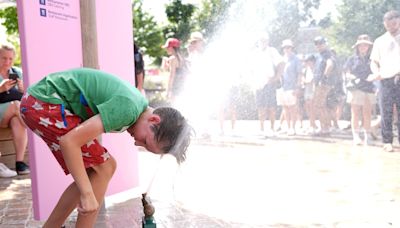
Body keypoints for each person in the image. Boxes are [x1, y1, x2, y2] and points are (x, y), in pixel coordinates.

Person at [19, 67, 192, 227]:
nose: (137, 143)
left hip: (39, 101)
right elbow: (69, 142)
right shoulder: (128, 109)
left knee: (96, 171)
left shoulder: (135, 106)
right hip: (43, 103)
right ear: (154, 120)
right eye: (145, 141)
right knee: (104, 167)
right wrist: (87, 195)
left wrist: (86, 190)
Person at [369, 10, 400, 152]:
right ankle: (387, 141)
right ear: (384, 24)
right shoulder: (380, 41)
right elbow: (374, 61)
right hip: (385, 79)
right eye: (388, 25)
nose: (391, 27)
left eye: (394, 23)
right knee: (385, 111)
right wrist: (376, 73)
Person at [0, 43, 29, 177]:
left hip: (12, 113)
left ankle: (19, 163)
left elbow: (27, 96)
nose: (7, 62)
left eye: (10, 59)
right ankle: (35, 128)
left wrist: (23, 89)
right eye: (4, 58)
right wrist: (1, 89)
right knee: (17, 105)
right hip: (3, 110)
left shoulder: (17, 73)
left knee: (17, 120)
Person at [344, 34, 377, 145]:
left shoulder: (373, 58)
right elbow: (347, 72)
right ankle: (356, 136)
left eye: (365, 45)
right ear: (357, 47)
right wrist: (352, 77)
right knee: (355, 113)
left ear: (369, 46)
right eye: (361, 45)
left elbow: (377, 72)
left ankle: (367, 135)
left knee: (367, 113)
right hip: (356, 88)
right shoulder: (352, 59)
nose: (363, 47)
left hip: (369, 88)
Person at [251, 33, 284, 136]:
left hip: (269, 83)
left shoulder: (272, 51)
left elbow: (281, 63)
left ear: (268, 41)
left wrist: (276, 78)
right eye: (260, 40)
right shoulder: (255, 53)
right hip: (258, 84)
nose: (262, 42)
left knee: (271, 107)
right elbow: (250, 69)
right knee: (260, 107)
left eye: (264, 40)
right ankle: (261, 129)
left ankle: (272, 129)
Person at [312, 36, 338, 136]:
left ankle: (325, 128)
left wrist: (324, 78)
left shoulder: (327, 54)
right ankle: (325, 127)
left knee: (319, 105)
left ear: (325, 43)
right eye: (317, 44)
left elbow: (330, 64)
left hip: (323, 84)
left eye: (321, 43)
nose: (319, 45)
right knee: (322, 106)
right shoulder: (320, 55)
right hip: (321, 83)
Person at [278, 39, 302, 136]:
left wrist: (298, 87)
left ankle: (293, 128)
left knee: (292, 108)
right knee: (285, 108)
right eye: (285, 47)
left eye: (288, 47)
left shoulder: (296, 59)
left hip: (292, 87)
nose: (287, 49)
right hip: (282, 87)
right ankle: (288, 127)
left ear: (292, 48)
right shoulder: (281, 59)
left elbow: (299, 74)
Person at [162, 38, 188, 103]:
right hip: (181, 85)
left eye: (168, 47)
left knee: (173, 106)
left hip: (175, 87)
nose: (166, 49)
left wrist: (168, 90)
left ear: (172, 48)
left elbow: (172, 75)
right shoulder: (181, 57)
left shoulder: (172, 58)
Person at [302, 54, 317, 134]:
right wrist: (304, 80)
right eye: (307, 61)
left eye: (309, 61)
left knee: (312, 108)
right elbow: (303, 77)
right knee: (307, 107)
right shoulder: (306, 69)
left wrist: (310, 81)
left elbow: (315, 79)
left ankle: (313, 125)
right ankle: (312, 124)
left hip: (314, 90)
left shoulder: (316, 69)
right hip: (307, 89)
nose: (308, 63)